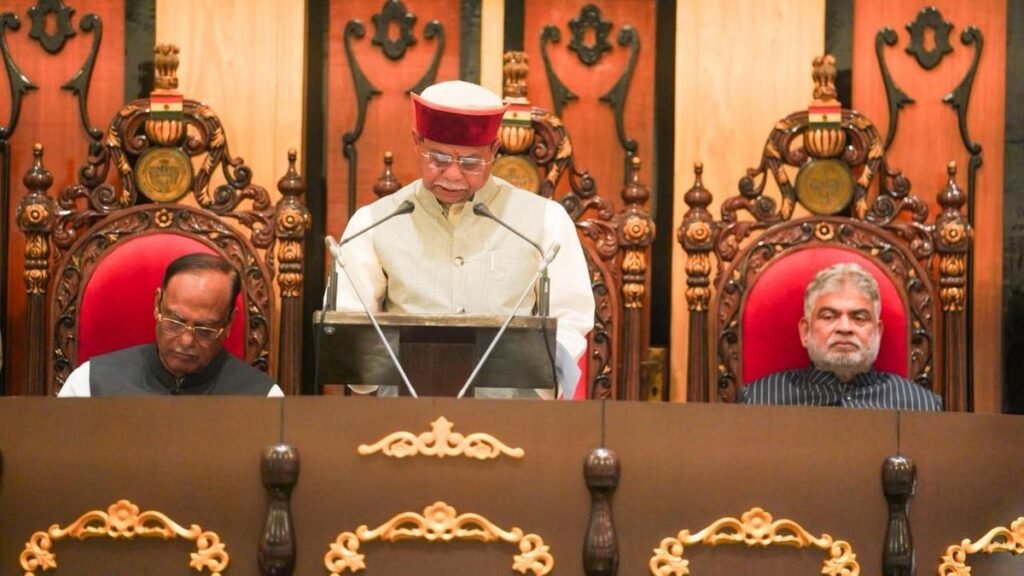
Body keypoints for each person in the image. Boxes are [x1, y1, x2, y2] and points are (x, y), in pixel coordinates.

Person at [334, 80, 594, 398]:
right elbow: (348, 321)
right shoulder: (373, 223)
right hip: (405, 424)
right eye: (438, 159)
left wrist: (545, 376)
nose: (453, 175)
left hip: (516, 423)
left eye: (471, 162)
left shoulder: (545, 221)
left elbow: (570, 316)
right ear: (417, 142)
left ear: (495, 150)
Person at [59, 253, 283, 397]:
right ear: (157, 304)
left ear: (229, 322)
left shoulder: (264, 398)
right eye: (175, 322)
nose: (186, 341)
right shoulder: (89, 383)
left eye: (205, 330)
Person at [737, 262, 941, 410]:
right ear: (805, 332)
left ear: (878, 333)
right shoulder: (759, 401)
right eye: (829, 316)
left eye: (859, 318)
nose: (845, 328)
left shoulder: (920, 406)